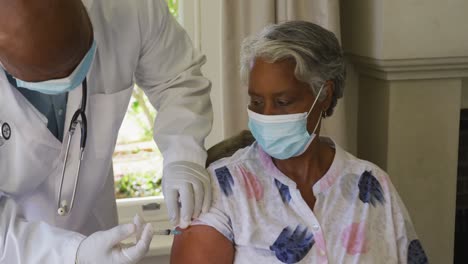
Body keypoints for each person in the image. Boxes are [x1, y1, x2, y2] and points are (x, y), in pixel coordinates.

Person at [171, 21, 429, 264]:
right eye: (257, 102)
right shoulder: (221, 190)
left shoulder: (373, 183)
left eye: (283, 102)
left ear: (324, 95)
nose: (267, 115)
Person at [0, 0, 213, 262]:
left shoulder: (127, 7)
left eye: (76, 68)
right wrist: (74, 255)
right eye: (46, 77)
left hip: (94, 227)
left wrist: (184, 154)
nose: (68, 85)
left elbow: (177, 80)